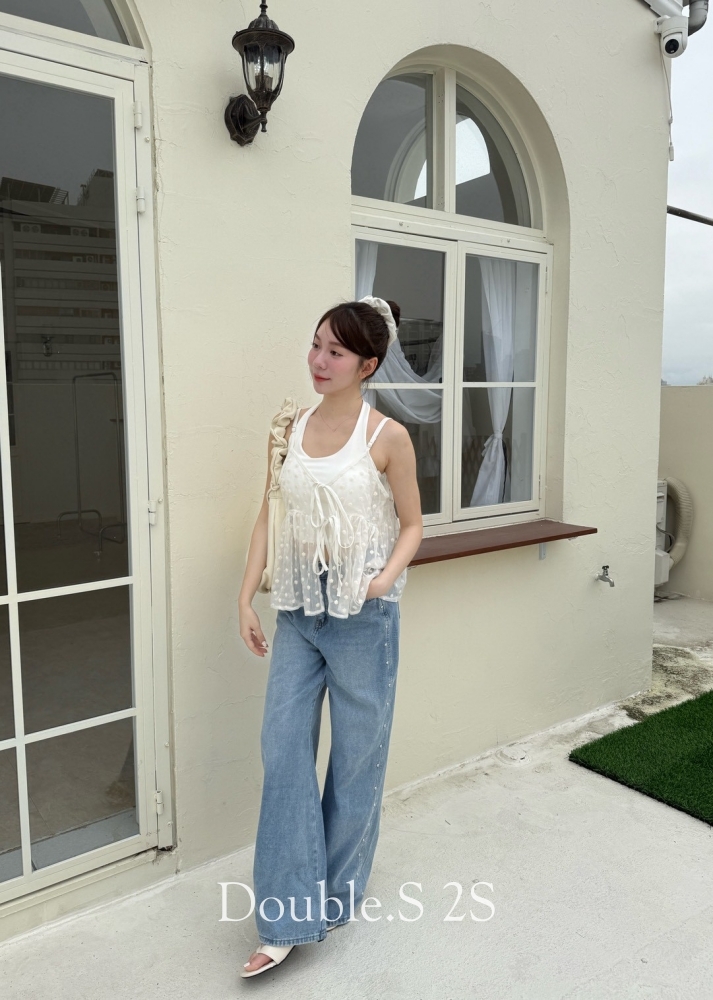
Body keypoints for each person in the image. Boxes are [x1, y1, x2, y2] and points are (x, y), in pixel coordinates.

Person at [237, 296, 423, 977]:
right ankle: (286, 918)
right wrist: (244, 596)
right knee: (283, 752)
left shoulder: (387, 437)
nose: (319, 360)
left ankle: (334, 901)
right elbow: (270, 514)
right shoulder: (289, 425)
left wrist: (382, 581)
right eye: (316, 344)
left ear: (366, 365)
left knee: (355, 763)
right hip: (297, 612)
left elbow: (413, 524)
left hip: (361, 620)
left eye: (336, 351)